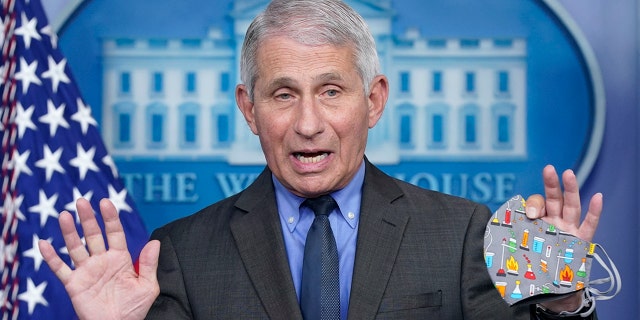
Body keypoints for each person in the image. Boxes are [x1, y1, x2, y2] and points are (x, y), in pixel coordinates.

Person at [39, 0, 603, 319]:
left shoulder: (462, 235)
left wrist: (562, 304)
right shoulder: (180, 253)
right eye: (283, 94)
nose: (308, 123)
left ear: (374, 100)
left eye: (331, 90)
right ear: (249, 108)